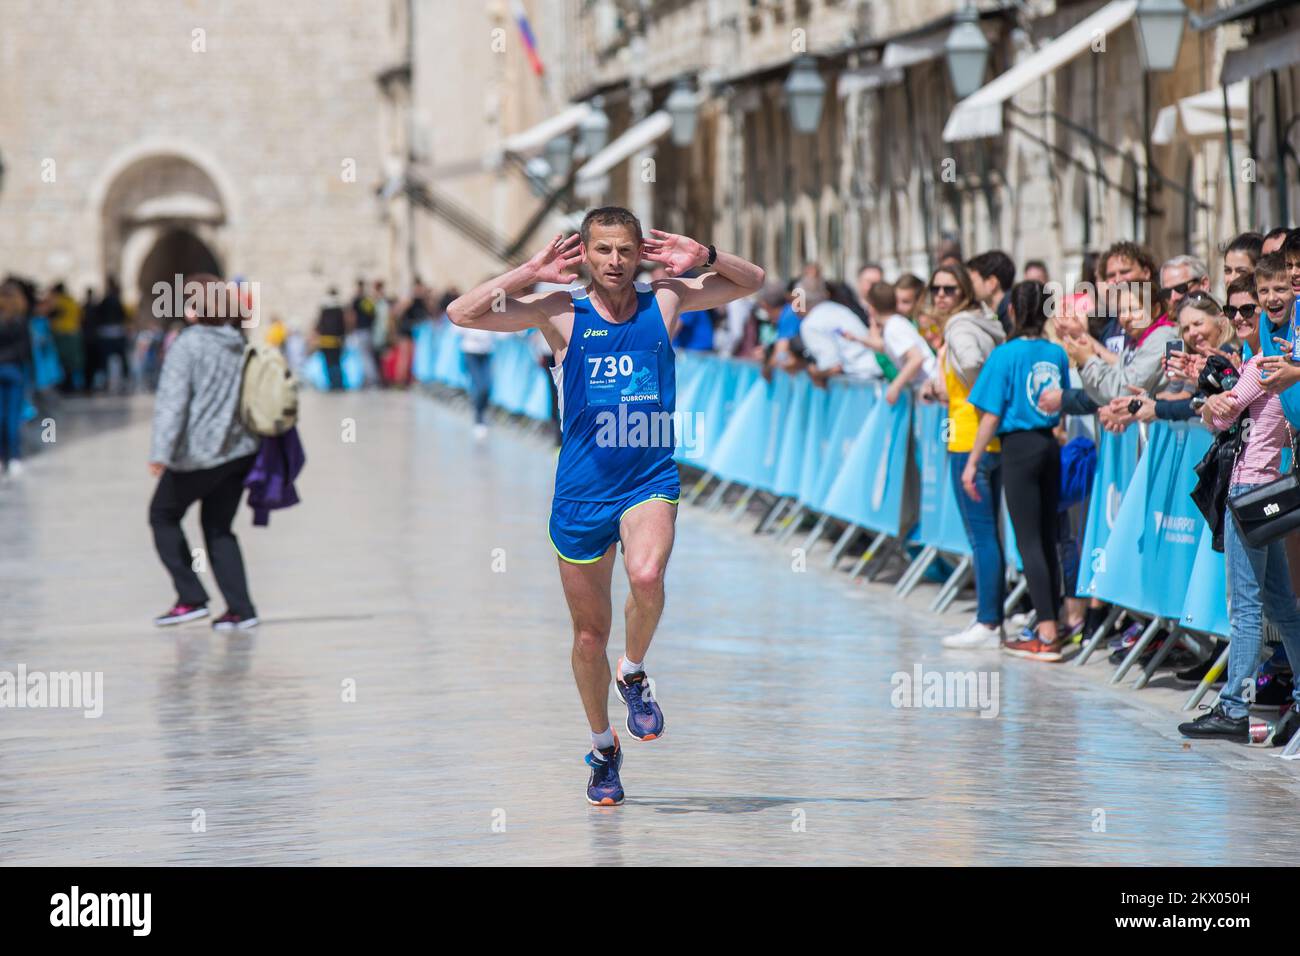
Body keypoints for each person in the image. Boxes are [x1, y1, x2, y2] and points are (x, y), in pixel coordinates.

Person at [446, 207, 764, 806]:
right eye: (603, 251)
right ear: (586, 255)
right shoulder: (561, 310)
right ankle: (602, 747)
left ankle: (635, 671)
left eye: (625, 250)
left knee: (647, 574)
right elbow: (461, 313)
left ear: (641, 251)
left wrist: (708, 256)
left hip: (649, 474)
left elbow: (755, 282)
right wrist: (531, 271)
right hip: (581, 490)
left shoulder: (664, 300)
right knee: (588, 635)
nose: (615, 262)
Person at [1179, 258, 1300, 747]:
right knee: (1280, 605)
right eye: (1253, 301)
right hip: (1266, 492)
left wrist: (1206, 401)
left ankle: (1233, 709)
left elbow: (1222, 414)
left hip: (1249, 492)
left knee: (1246, 607)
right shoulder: (1270, 359)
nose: (1263, 306)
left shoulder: (1264, 364)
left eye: (1274, 293)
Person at [963, 281, 1071, 661]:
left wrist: (973, 460)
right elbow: (1061, 409)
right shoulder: (1056, 353)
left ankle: (1045, 633)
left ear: (1010, 312)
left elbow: (990, 413)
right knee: (1046, 538)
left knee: (1028, 542)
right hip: (1047, 444)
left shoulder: (1004, 355)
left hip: (1019, 448)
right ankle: (1052, 622)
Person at [147, 275, 261, 631]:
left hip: (199, 453)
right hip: (240, 451)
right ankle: (241, 610)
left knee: (162, 515)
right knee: (218, 527)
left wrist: (160, 452)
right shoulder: (237, 341)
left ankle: (190, 597)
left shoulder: (188, 344)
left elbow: (172, 403)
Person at [918, 264, 1007, 650]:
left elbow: (973, 367)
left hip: (971, 439)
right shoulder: (983, 322)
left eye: (950, 289)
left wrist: (979, 397)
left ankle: (988, 622)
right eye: (935, 288)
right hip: (984, 435)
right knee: (989, 534)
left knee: (981, 535)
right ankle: (992, 617)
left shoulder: (958, 326)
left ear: (964, 293)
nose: (940, 296)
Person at [0, 278, 32, 477]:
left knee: (1, 416)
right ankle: (14, 458)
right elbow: (25, 351)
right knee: (13, 417)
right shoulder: (20, 321)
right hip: (14, 371)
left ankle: (1, 456)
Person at [457, 321, 496, 439]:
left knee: (487, 385)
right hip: (470, 351)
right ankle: (478, 418)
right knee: (480, 386)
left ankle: (482, 412)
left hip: (487, 352)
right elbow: (458, 326)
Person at [967, 250, 1015, 335]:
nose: (968, 287)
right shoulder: (1006, 310)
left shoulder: (1010, 313)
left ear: (992, 283)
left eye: (972, 282)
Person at [315, 287, 348, 390]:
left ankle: (332, 384)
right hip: (336, 340)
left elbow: (319, 325)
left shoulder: (324, 308)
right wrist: (343, 338)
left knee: (328, 363)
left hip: (325, 340)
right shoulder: (339, 309)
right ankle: (338, 384)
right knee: (336, 363)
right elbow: (342, 326)